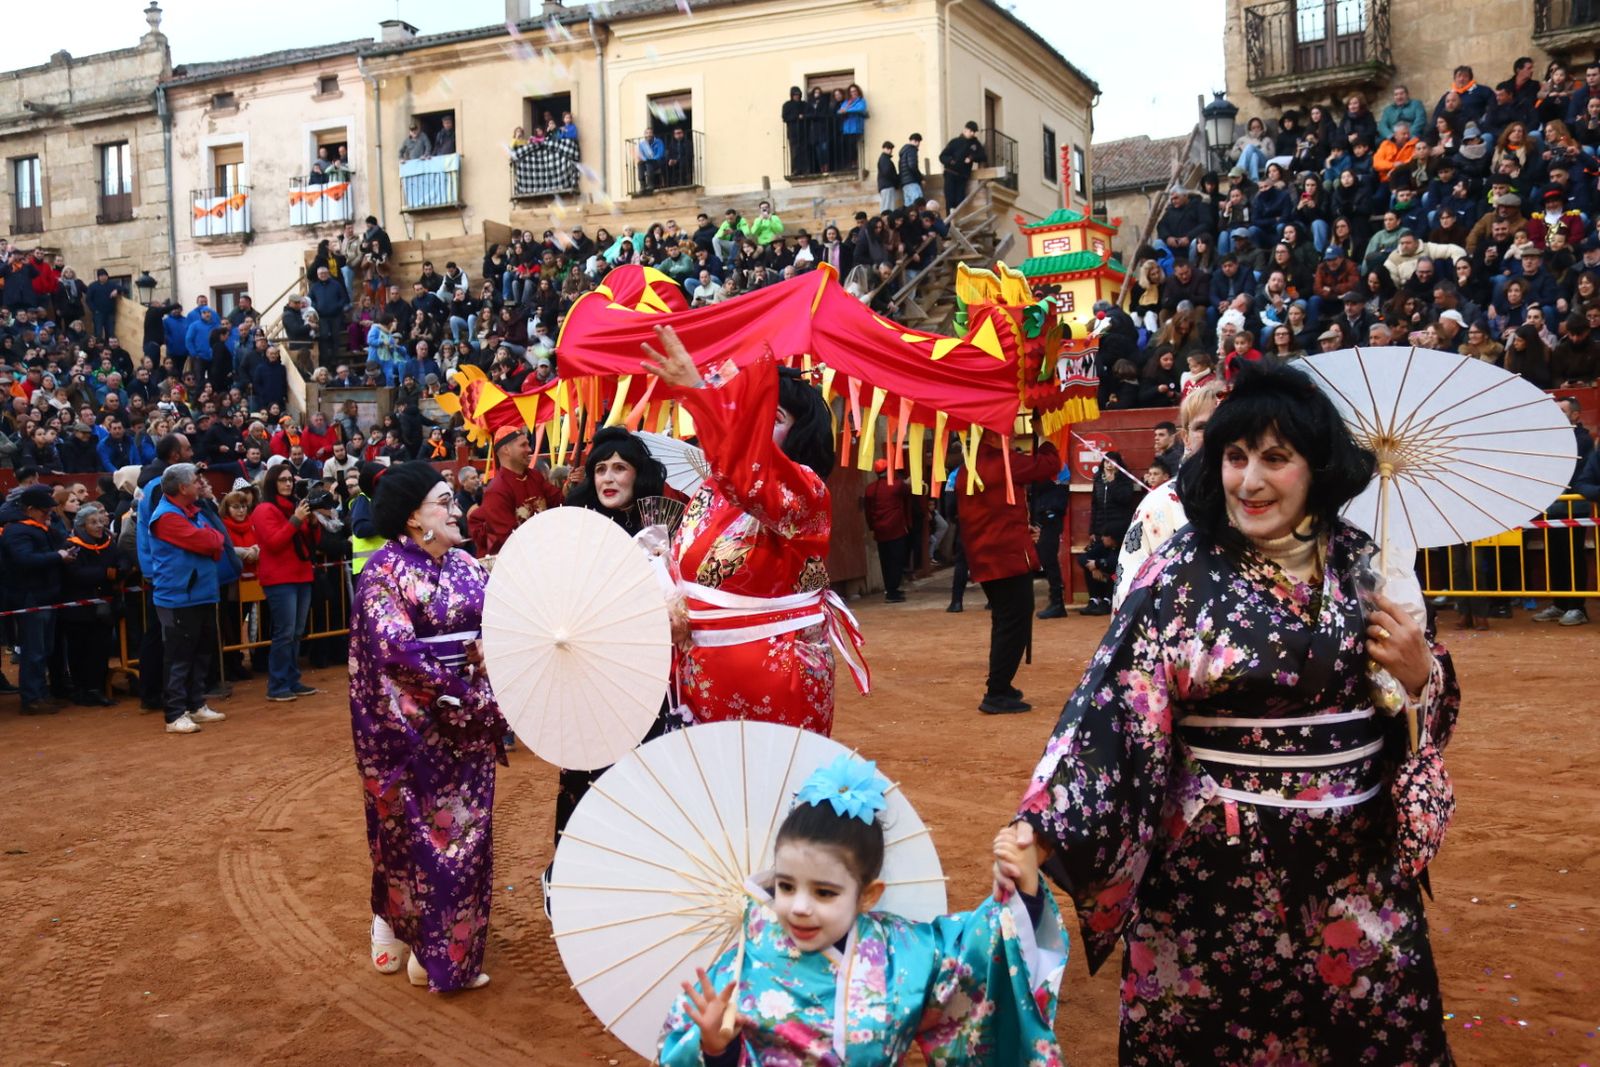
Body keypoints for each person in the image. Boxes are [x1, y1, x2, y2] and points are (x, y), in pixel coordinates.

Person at [1008, 362, 1460, 1064]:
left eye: (1275, 458)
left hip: (1353, 881)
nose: (1249, 481)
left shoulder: (1363, 566)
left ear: (1317, 466)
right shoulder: (1179, 575)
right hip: (1212, 891)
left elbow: (1416, 713)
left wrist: (1419, 672)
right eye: (1235, 457)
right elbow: (1113, 708)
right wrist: (1042, 825)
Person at [659, 756, 1066, 1065]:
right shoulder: (741, 965)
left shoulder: (904, 952)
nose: (799, 907)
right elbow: (687, 1050)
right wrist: (716, 1049)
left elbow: (981, 956)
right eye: (785, 885)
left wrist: (1021, 888)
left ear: (868, 895)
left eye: (824, 892)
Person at [639, 325, 866, 734]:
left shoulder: (806, 490)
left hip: (776, 671)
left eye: (772, 418)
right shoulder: (713, 490)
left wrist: (698, 391)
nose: (754, 428)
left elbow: (752, 478)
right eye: (750, 417)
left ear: (801, 433)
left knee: (772, 786)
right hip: (701, 670)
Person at [349, 461, 504, 992]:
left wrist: (491, 650)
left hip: (470, 722)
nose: (457, 508)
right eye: (445, 500)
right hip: (410, 731)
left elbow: (502, 621)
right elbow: (396, 652)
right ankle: (408, 933)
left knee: (468, 837)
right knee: (413, 838)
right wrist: (464, 697)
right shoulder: (382, 573)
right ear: (415, 517)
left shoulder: (465, 564)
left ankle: (442, 954)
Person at [955, 432, 1062, 714]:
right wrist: (1049, 434)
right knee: (1012, 621)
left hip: (986, 555)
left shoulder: (968, 466)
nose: (1013, 433)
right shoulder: (1002, 460)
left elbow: (993, 511)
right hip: (1007, 557)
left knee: (1004, 620)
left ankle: (1000, 683)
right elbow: (1049, 465)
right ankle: (997, 691)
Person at [1113, 383, 1224, 610]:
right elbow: (1129, 592)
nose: (1214, 433)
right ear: (1185, 437)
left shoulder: (1262, 502)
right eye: (1202, 426)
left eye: (1223, 423)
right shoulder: (1158, 506)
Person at [146, 464, 232, 735]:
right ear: (183, 488)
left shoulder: (192, 511)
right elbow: (209, 542)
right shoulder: (167, 517)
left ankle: (195, 705)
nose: (201, 484)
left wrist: (213, 538)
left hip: (200, 594)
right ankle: (174, 714)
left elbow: (220, 539)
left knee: (201, 652)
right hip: (179, 597)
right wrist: (213, 541)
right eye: (196, 481)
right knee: (179, 656)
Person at [252, 464, 323, 702]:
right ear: (272, 483)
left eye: (290, 479)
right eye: (282, 480)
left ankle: (292, 680)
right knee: (284, 633)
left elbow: (311, 543)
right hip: (279, 578)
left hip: (301, 574)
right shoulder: (264, 510)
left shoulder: (296, 508)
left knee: (296, 633)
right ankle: (278, 684)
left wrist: (312, 523)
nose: (288, 484)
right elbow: (274, 542)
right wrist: (296, 519)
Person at [0, 485, 72, 714]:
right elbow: (24, 559)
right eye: (44, 511)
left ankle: (40, 693)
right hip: (30, 597)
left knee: (45, 648)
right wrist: (57, 556)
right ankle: (31, 697)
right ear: (30, 509)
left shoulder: (39, 527)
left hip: (45, 595)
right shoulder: (17, 531)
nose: (48, 515)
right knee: (34, 650)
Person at [59, 502, 124, 706]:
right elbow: (76, 574)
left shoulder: (108, 542)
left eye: (99, 521)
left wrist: (121, 570)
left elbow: (121, 560)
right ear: (81, 525)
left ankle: (97, 687)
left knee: (100, 649)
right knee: (79, 649)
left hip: (104, 608)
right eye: (92, 522)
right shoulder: (71, 545)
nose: (98, 526)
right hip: (79, 609)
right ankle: (81, 689)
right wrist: (106, 573)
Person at [470, 427, 564, 555]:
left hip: (546, 550)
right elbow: (510, 540)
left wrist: (572, 486)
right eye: (523, 445)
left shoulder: (535, 476)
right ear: (507, 450)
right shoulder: (496, 491)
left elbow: (559, 503)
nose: (529, 450)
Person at [863, 458, 913, 602]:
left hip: (880, 530)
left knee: (885, 561)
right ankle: (893, 591)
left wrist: (872, 526)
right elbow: (909, 489)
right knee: (897, 560)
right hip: (896, 529)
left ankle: (890, 589)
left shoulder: (870, 489)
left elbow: (868, 511)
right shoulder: (897, 486)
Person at [938, 121, 987, 213]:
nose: (972, 133)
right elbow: (942, 156)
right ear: (965, 130)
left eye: (974, 132)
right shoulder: (955, 142)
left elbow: (983, 156)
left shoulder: (975, 144)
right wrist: (951, 161)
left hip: (962, 176)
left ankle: (957, 223)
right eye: (971, 131)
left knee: (960, 200)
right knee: (950, 200)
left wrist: (971, 157)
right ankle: (950, 224)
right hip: (950, 174)